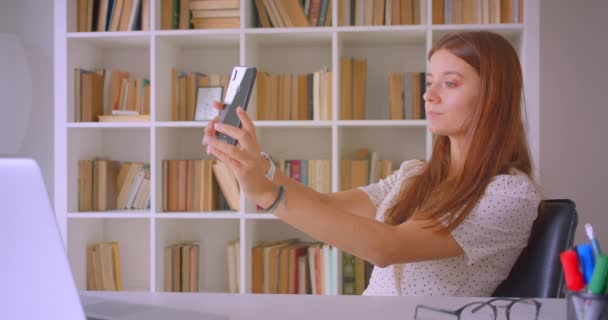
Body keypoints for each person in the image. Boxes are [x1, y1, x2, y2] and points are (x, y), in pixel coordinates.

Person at [201, 30, 541, 296]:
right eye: (429, 82)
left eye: (449, 83)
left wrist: (268, 195)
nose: (429, 95)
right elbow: (324, 205)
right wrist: (256, 165)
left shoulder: (509, 195)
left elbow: (385, 247)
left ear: (494, 95)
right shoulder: (415, 174)